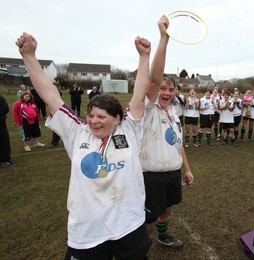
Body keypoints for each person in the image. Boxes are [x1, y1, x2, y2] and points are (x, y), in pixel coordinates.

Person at [16, 32, 152, 259]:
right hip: (89, 231)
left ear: (117, 118)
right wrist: (29, 55)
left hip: (128, 224)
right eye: (91, 115)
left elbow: (139, 95)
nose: (94, 121)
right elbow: (50, 95)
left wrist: (144, 57)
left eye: (101, 116)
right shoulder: (77, 131)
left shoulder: (130, 129)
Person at [140, 15, 194, 250]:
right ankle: (141, 248)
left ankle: (163, 237)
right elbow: (152, 79)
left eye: (171, 89)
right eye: (162, 88)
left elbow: (178, 144)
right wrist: (164, 39)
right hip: (150, 175)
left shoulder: (174, 112)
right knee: (149, 219)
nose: (166, 92)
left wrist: (187, 168)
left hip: (172, 173)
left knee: (168, 209)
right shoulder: (147, 108)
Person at [0, 95, 12, 167]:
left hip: (0, 124)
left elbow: (5, 108)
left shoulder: (0, 98)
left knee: (3, 140)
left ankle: (6, 159)